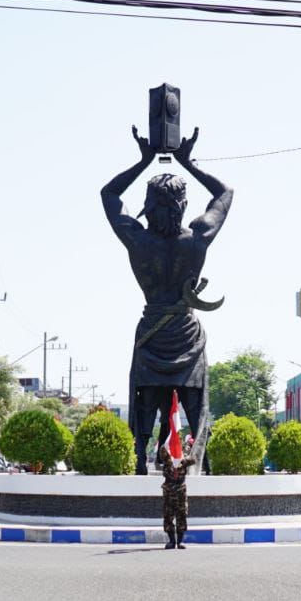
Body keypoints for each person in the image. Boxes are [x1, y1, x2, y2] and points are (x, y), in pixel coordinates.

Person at [102, 120, 232, 475]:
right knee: (197, 410)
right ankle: (200, 470)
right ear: (184, 203)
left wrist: (144, 160)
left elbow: (109, 196)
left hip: (152, 332)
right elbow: (225, 194)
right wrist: (188, 162)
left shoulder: (138, 240)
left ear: (146, 204)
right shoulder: (198, 238)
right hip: (186, 333)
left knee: (145, 411)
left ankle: (138, 468)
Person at [158, 446, 197, 549]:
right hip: (169, 489)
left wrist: (183, 459)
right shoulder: (166, 450)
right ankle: (171, 541)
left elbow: (193, 459)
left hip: (180, 489)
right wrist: (168, 448)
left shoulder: (183, 451)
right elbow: (162, 455)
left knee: (181, 515)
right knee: (168, 515)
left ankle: (180, 541)